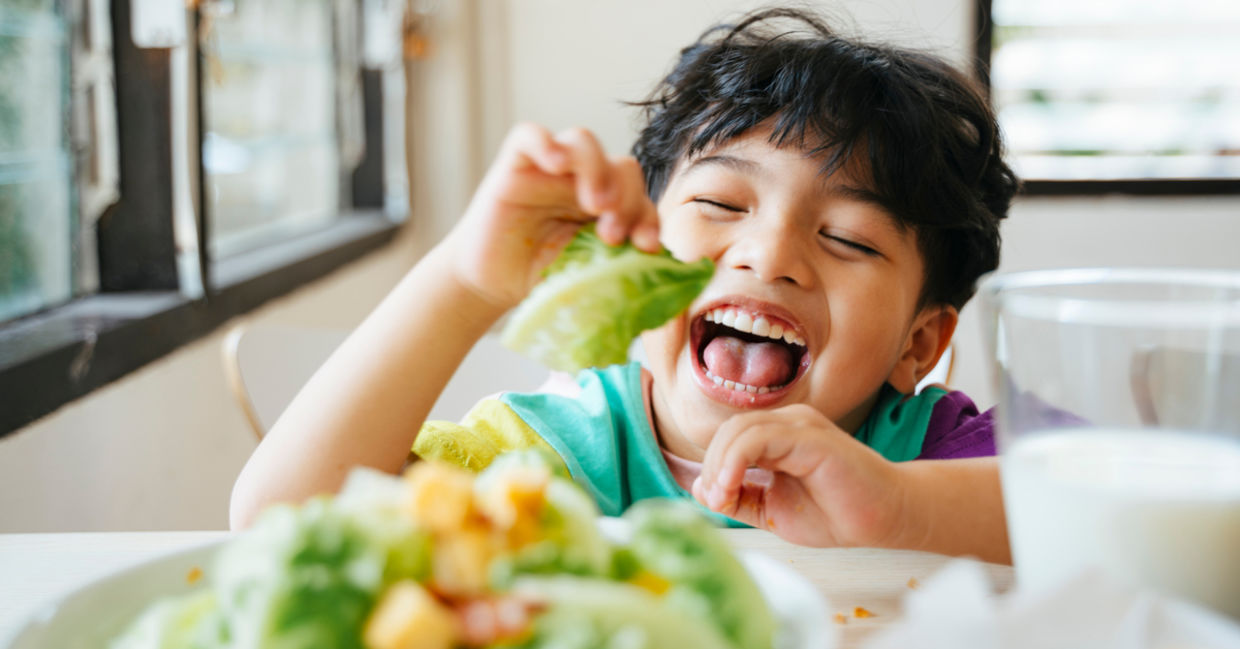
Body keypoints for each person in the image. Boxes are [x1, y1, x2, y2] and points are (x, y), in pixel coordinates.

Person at [230, 8, 1020, 563]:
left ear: (919, 342)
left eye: (847, 238)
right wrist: (463, 284)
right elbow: (281, 523)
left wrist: (899, 506)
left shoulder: (931, 457)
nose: (767, 255)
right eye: (719, 202)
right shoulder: (552, 459)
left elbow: (1107, 516)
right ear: (638, 242)